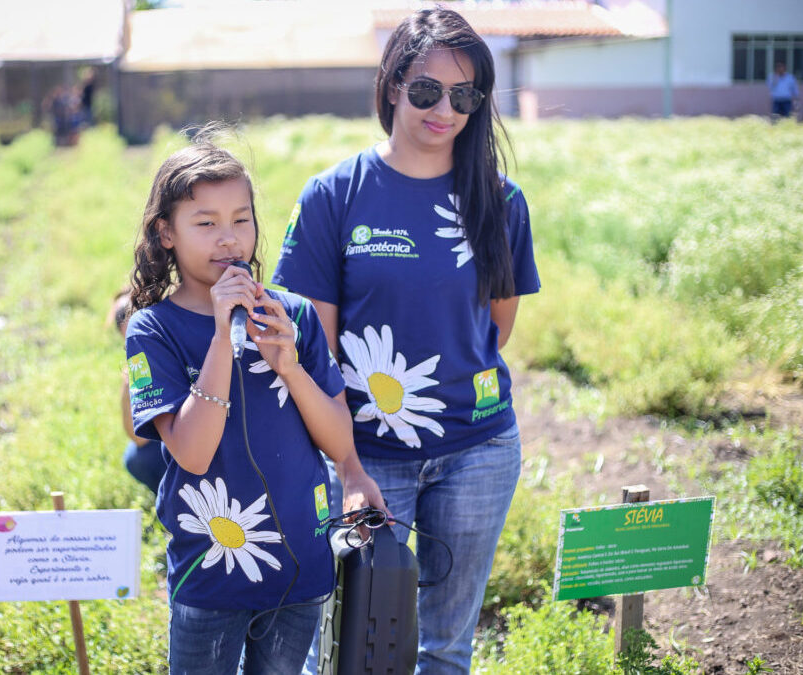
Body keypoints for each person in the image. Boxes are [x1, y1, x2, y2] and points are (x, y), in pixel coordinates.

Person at [272, 9, 540, 674]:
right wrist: (346, 465)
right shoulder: (334, 196)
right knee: (341, 646)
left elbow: (495, 326)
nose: (443, 109)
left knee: (445, 646)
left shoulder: (501, 200)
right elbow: (315, 350)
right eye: (425, 90)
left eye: (464, 95)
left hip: (478, 451)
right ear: (391, 85)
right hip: (365, 457)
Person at [125, 132, 354, 674]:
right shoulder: (152, 330)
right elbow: (193, 454)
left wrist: (290, 367)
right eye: (205, 223)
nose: (228, 240)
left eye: (241, 219)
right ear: (167, 233)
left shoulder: (292, 316)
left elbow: (341, 442)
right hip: (210, 573)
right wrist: (223, 338)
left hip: (299, 567)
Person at [107, 288, 164, 495]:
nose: (127, 320)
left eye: (132, 310)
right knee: (136, 458)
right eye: (121, 317)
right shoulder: (138, 362)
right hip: (174, 439)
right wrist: (127, 389)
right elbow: (138, 438)